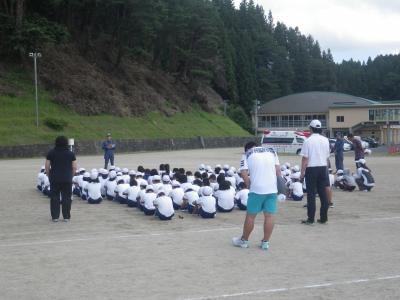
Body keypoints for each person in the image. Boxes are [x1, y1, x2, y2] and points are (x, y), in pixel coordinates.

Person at [232, 141, 281, 250]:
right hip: (272, 188)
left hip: (257, 188)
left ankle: (244, 241)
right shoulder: (272, 151)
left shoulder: (247, 154)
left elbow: (244, 172)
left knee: (251, 216)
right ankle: (265, 242)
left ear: (247, 149)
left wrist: (250, 185)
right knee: (269, 216)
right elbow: (278, 170)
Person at [300, 120, 330, 225]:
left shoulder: (307, 141)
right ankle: (323, 218)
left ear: (311, 128)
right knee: (323, 194)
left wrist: (302, 173)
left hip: (311, 169)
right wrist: (326, 170)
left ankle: (311, 218)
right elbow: (327, 157)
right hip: (323, 168)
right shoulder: (326, 140)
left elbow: (305, 159)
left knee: (311, 195)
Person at [45, 136, 77, 222]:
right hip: (67, 178)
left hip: (54, 178)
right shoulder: (70, 154)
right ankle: (66, 216)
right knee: (66, 197)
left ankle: (55, 216)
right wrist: (71, 176)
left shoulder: (51, 153)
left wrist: (49, 175)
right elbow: (74, 167)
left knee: (54, 197)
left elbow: (47, 166)